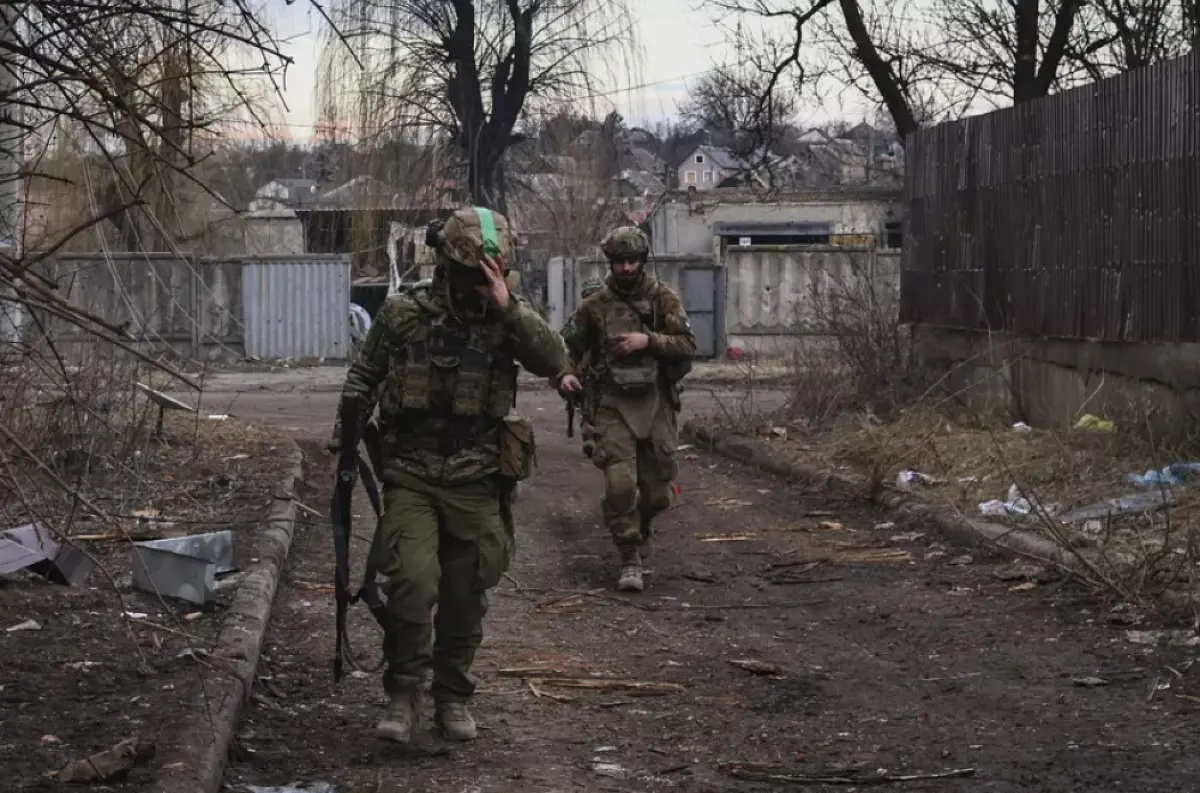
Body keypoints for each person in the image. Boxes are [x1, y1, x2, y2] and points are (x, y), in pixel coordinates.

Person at [328, 205, 569, 744]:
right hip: (411, 472)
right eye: (470, 272)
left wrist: (508, 309)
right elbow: (363, 376)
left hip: (478, 475)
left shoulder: (507, 314)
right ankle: (403, 692)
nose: (478, 283)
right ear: (446, 265)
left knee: (466, 591)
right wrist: (344, 441)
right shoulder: (403, 314)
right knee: (412, 581)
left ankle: (453, 697)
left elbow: (556, 359)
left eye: (491, 271)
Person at [558, 226, 697, 592]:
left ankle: (644, 523)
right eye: (619, 262)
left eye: (632, 261)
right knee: (621, 486)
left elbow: (687, 344)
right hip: (611, 405)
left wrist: (646, 340)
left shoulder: (662, 299)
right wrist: (566, 376)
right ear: (610, 263)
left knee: (658, 492)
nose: (626, 268)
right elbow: (568, 348)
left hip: (656, 403)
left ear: (643, 260)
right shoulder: (595, 306)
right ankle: (629, 556)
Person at [563, 279, 604, 458]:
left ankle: (590, 433)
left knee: (589, 403)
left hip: (594, 368)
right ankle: (591, 434)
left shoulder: (580, 316)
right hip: (590, 368)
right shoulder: (582, 317)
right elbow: (567, 341)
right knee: (590, 401)